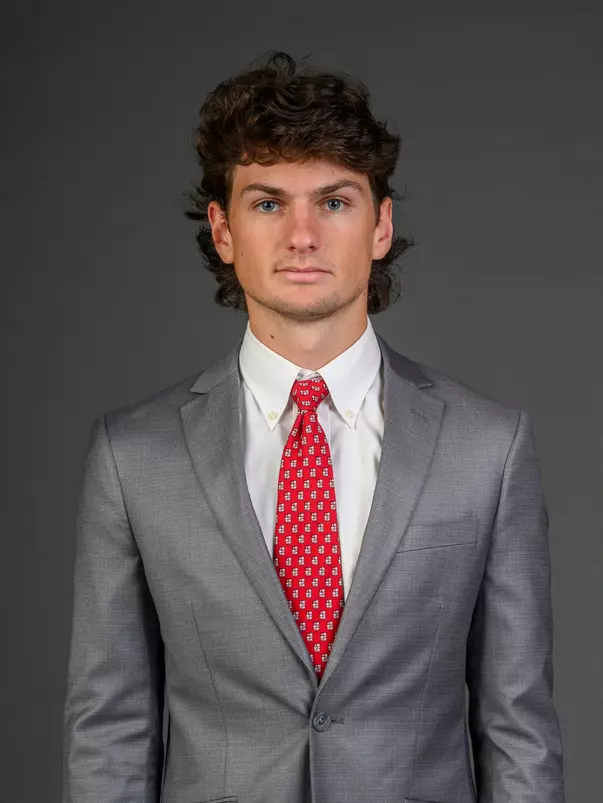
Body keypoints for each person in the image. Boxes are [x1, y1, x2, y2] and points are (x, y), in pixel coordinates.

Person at [62, 51, 566, 803]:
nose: (302, 235)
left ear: (380, 225)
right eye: (268, 204)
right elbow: (110, 733)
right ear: (223, 230)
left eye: (333, 202)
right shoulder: (133, 457)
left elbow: (518, 730)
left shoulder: (487, 448)